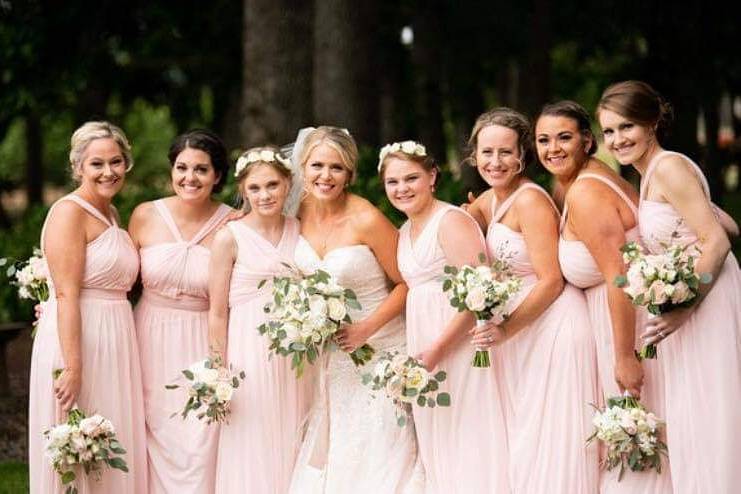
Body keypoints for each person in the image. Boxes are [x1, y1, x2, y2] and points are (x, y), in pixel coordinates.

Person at [597, 80, 741, 494]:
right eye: (609, 131)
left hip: (705, 301)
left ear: (653, 122)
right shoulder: (650, 174)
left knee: (709, 413)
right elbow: (726, 223)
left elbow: (718, 241)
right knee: (695, 412)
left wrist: (685, 306)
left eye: (627, 127)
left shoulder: (669, 167)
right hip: (694, 294)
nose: (618, 139)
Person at [538, 100, 672, 492]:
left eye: (565, 137)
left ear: (587, 140)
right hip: (620, 319)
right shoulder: (587, 180)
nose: (553, 149)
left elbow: (619, 278)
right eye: (544, 140)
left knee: (636, 434)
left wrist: (624, 356)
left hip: (625, 324)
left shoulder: (586, 193)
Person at [465, 108, 599, 493]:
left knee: (556, 443)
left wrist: (504, 329)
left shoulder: (529, 201)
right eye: (487, 152)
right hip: (523, 337)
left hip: (554, 330)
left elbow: (552, 281)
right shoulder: (489, 201)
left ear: (522, 154)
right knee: (526, 441)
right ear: (474, 155)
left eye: (506, 152)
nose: (495, 162)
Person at [288, 127, 423, 494]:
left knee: (380, 442)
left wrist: (366, 328)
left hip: (379, 348)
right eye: (317, 165)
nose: (325, 176)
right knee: (341, 442)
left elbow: (407, 282)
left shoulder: (366, 218)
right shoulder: (294, 215)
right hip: (333, 357)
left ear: (349, 174)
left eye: (337, 168)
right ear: (303, 167)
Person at [382, 140, 511, 493]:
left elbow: (479, 296)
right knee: (438, 430)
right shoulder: (404, 232)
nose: (402, 188)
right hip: (425, 346)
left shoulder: (452, 220)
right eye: (393, 182)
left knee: (469, 429)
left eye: (411, 178)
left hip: (460, 344)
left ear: (432, 176)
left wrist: (439, 347)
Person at [28, 121, 147, 493]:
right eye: (97, 163)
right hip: (80, 341)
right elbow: (66, 293)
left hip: (116, 341)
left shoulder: (111, 215)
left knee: (111, 443)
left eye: (116, 162)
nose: (108, 172)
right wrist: (73, 366)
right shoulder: (70, 212)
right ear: (78, 166)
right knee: (79, 446)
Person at [128, 129, 232, 493]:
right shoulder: (144, 215)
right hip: (148, 335)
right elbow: (119, 279)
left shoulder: (233, 223)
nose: (190, 178)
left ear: (217, 175)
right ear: (172, 170)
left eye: (201, 169)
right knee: (150, 427)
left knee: (199, 438)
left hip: (203, 336)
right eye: (182, 168)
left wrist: (221, 363)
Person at [207, 146, 313, 493]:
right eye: (255, 188)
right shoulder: (229, 237)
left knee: (294, 432)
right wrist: (218, 369)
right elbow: (217, 311)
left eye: (272, 185)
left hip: (296, 353)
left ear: (288, 184)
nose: (264, 195)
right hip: (248, 355)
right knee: (252, 438)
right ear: (243, 190)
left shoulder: (299, 228)